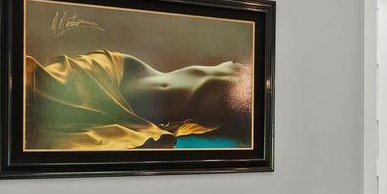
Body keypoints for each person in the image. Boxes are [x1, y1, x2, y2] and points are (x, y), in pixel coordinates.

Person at [24, 50, 253, 151]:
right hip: (118, 75)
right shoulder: (251, 79)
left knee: (33, 131)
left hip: (136, 123)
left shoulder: (249, 112)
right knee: (28, 96)